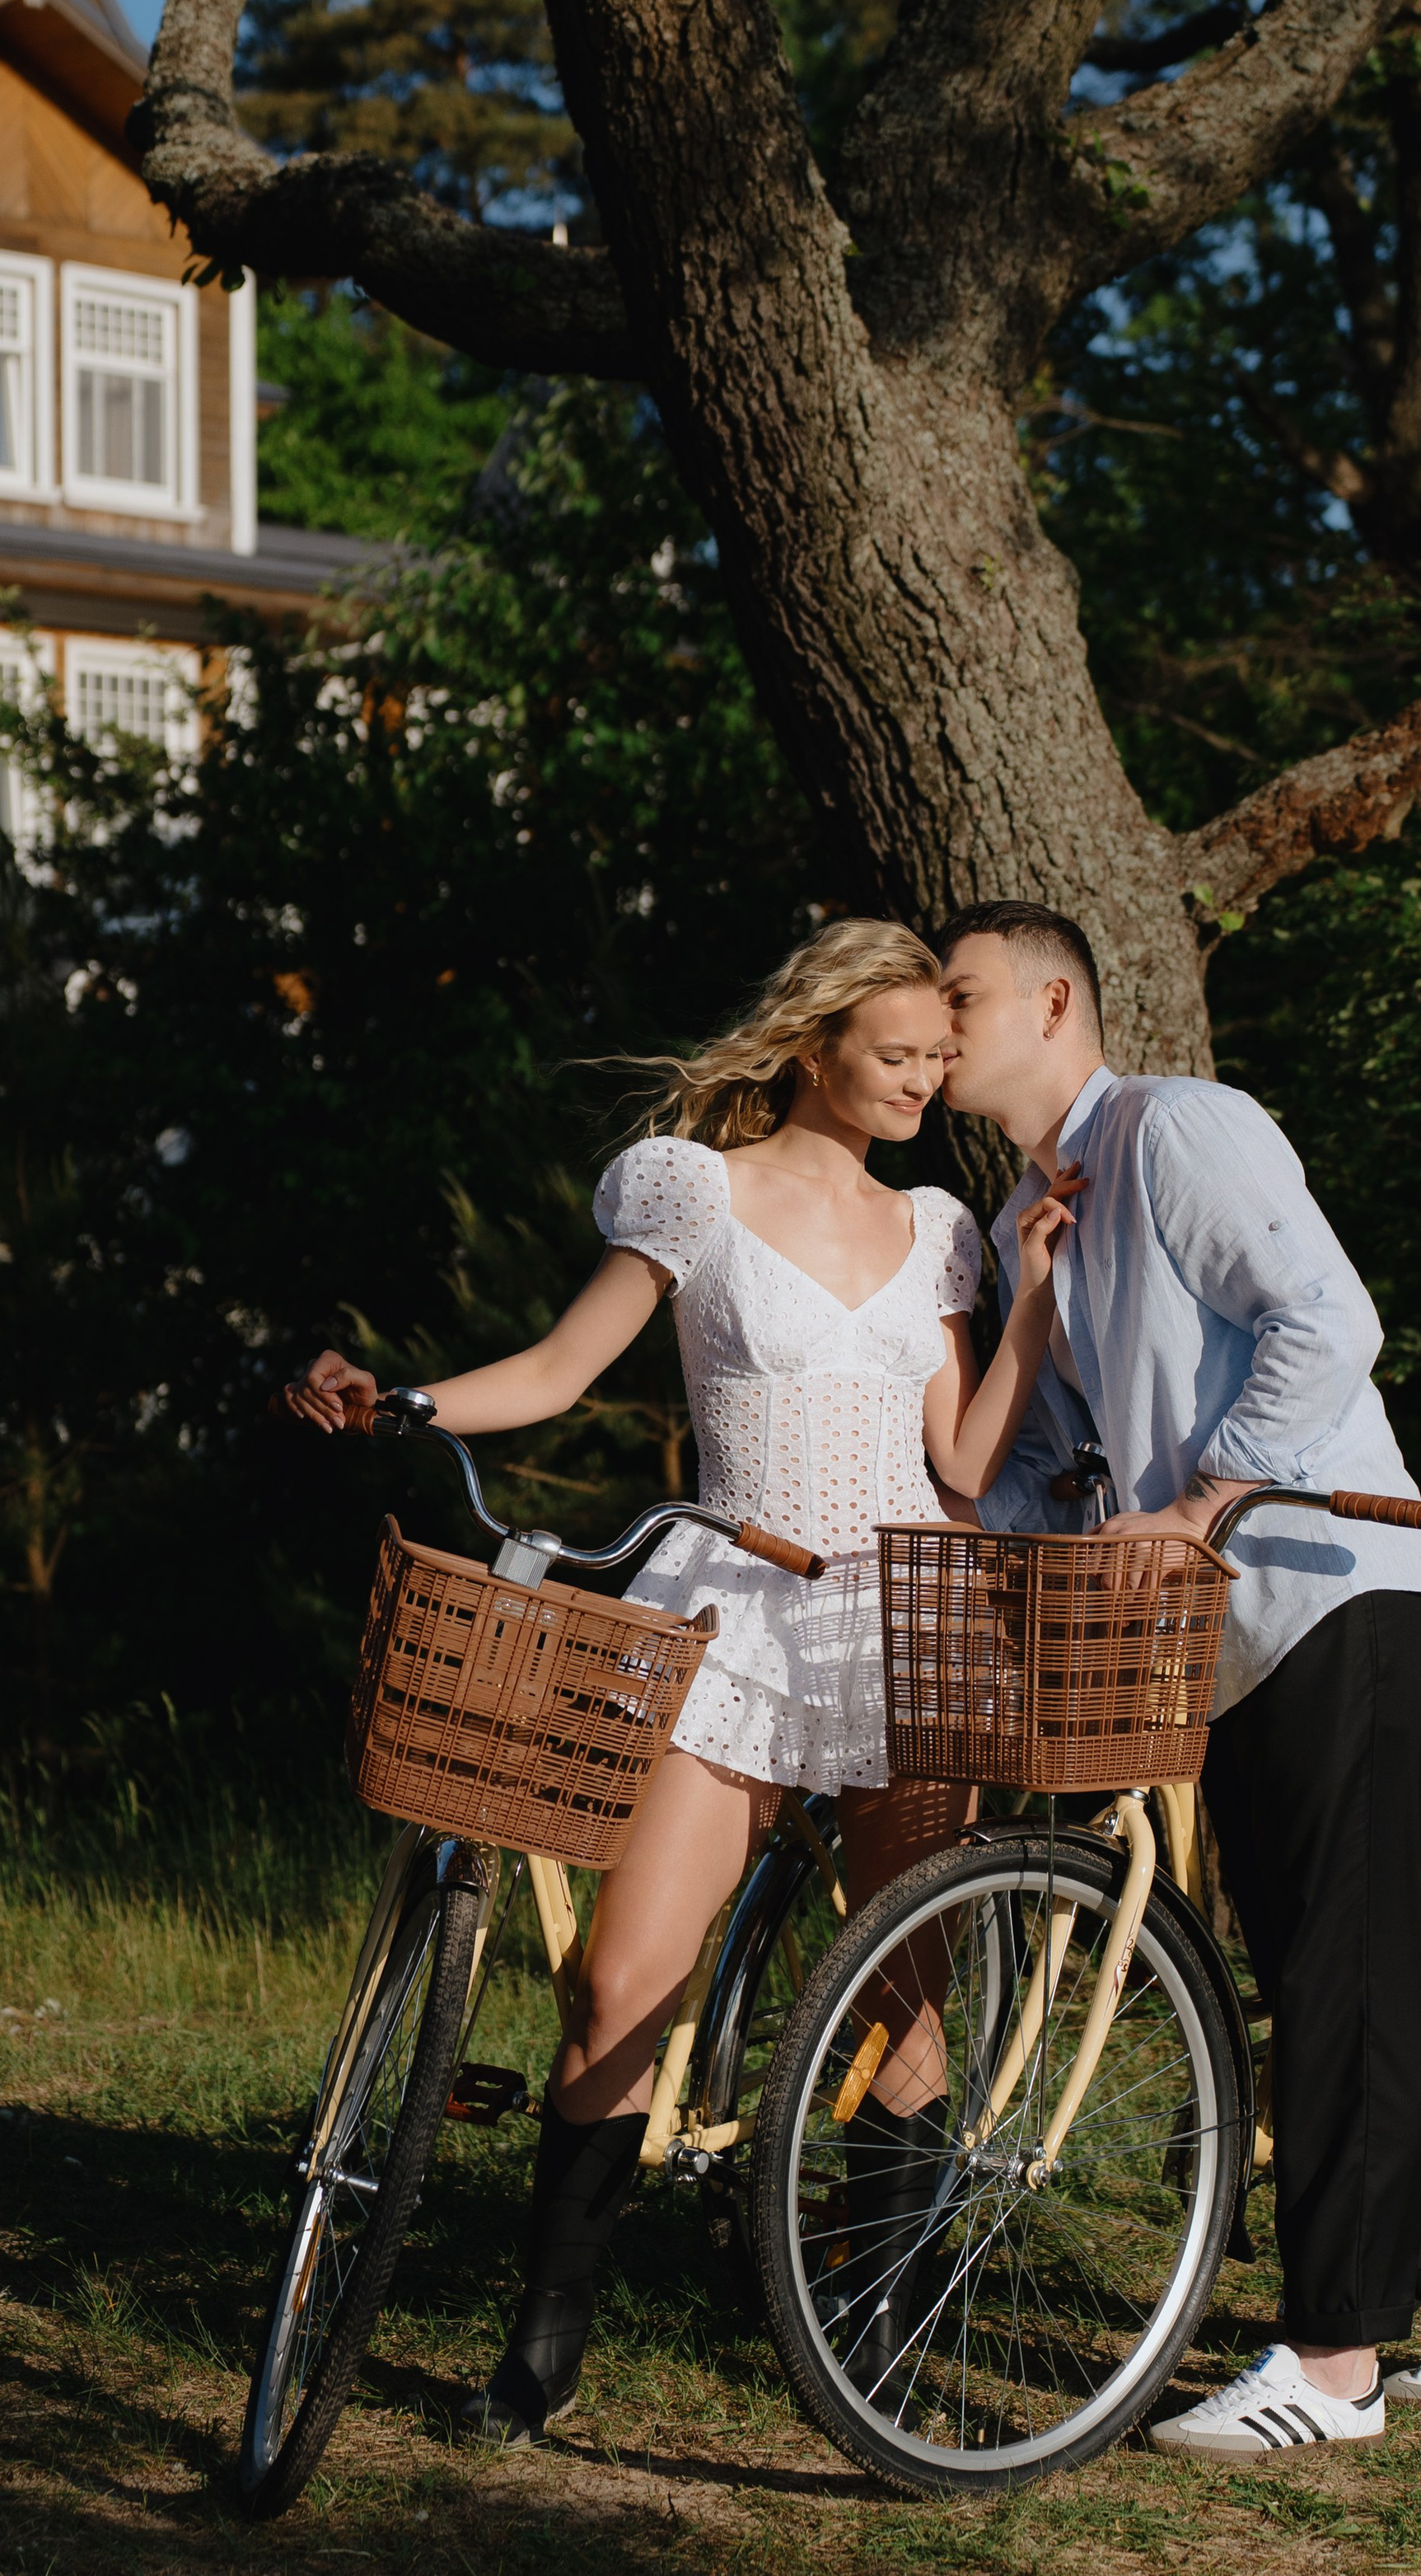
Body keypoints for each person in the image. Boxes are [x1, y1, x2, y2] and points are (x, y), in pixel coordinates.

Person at [289, 919, 1076, 2445]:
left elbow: (969, 1459)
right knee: (615, 1990)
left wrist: (1034, 1293)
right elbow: (558, 1371)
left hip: (903, 1620)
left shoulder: (940, 1230)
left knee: (905, 1998)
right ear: (813, 1043)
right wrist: (404, 1403)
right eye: (896, 1053)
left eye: (937, 1056)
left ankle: (875, 2325)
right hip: (733, 1612)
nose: (924, 1080)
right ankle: (544, 2347)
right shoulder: (693, 1189)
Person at [936, 899, 1421, 2464]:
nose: (937, 1023)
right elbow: (1048, 1466)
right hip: (1226, 1643)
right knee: (1338, 1968)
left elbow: (1331, 1319)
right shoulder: (1028, 1216)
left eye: (960, 995)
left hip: (1341, 1590)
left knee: (1330, 1980)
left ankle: (1333, 2362)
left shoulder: (1177, 1129)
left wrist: (1202, 1499)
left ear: (1053, 1004)